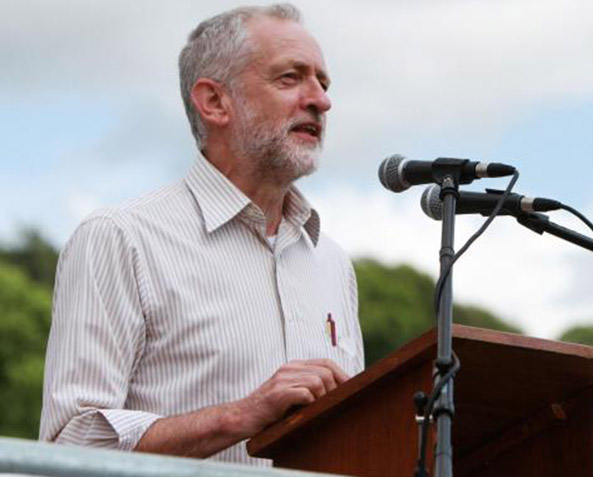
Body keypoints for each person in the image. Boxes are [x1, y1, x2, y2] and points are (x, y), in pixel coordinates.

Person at [39, 4, 364, 466]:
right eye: (291, 78)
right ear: (214, 102)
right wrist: (240, 417)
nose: (321, 100)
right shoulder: (119, 238)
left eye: (323, 82)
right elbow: (67, 449)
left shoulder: (332, 264)